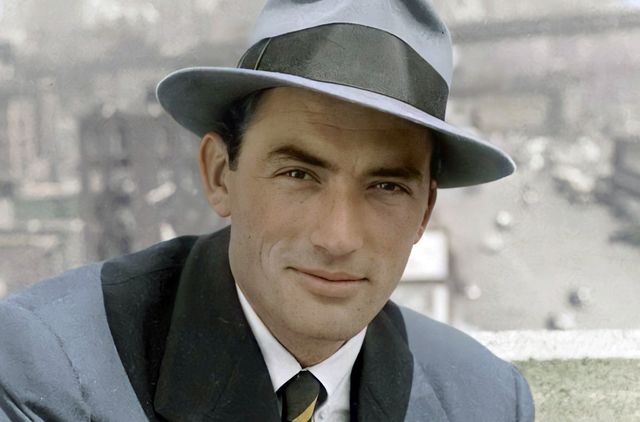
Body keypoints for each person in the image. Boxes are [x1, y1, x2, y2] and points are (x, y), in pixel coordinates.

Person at [0, 0, 534, 421]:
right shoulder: (49, 369)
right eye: (299, 174)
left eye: (386, 186)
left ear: (424, 213)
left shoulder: (486, 401)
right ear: (219, 175)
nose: (338, 237)